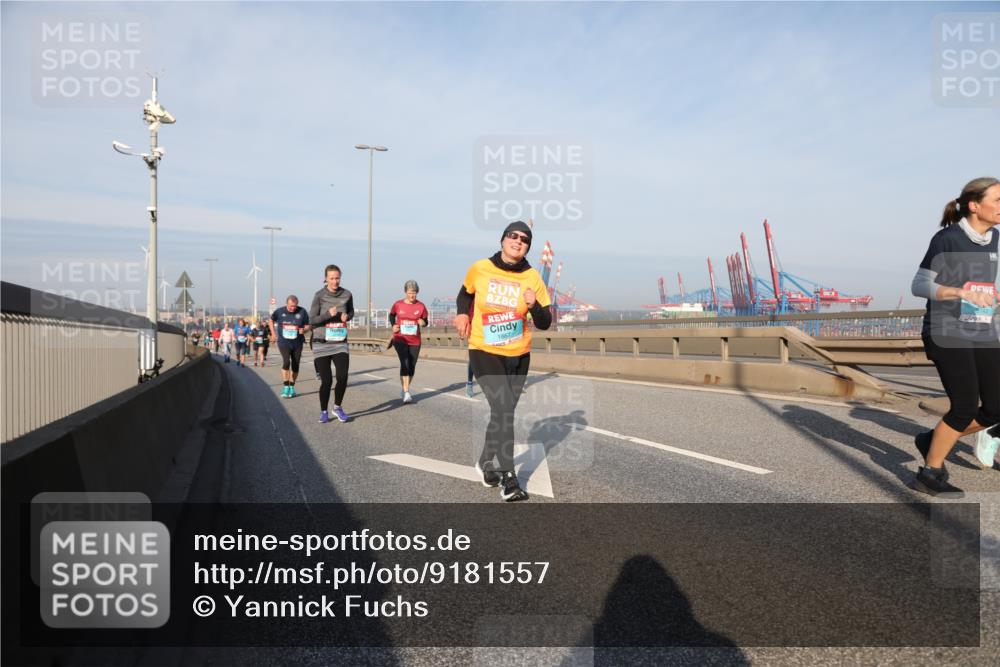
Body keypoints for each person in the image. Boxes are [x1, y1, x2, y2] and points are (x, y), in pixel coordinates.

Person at [910, 176, 1000, 497]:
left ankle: (932, 439)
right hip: (946, 331)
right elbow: (920, 285)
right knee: (963, 406)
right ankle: (930, 472)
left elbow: (980, 284)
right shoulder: (946, 239)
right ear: (975, 205)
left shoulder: (994, 238)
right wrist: (959, 292)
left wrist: (991, 294)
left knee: (995, 408)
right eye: (998, 201)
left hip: (981, 329)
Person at [454, 221, 552, 502]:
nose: (518, 241)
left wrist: (534, 306)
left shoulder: (533, 277)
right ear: (502, 240)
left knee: (502, 413)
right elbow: (465, 292)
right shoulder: (480, 268)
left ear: (528, 247)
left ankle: (485, 462)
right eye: (513, 236)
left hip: (519, 355)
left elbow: (545, 322)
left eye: (524, 239)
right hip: (484, 350)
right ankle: (509, 478)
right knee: (504, 409)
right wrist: (462, 313)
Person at [308, 266, 354, 422]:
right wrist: (328, 314)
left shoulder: (347, 294)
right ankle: (323, 411)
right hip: (321, 343)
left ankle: (337, 407)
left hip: (340, 342)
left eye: (337, 278)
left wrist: (346, 317)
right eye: (332, 278)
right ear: (326, 278)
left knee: (342, 377)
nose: (335, 281)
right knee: (326, 380)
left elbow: (351, 312)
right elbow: (312, 319)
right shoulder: (319, 296)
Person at [389, 280, 429, 404]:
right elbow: (391, 315)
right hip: (400, 338)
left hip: (415, 340)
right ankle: (406, 392)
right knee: (405, 362)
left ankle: (404, 388)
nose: (412, 295)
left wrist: (423, 322)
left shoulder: (421, 306)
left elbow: (426, 321)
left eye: (415, 293)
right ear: (406, 292)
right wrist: (393, 325)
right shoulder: (398, 304)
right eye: (410, 292)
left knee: (412, 365)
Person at [269, 296, 310, 398]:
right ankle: (286, 386)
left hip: (297, 342)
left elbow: (308, 325)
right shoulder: (279, 312)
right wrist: (273, 334)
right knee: (286, 362)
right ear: (287, 304)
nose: (293, 308)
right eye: (291, 306)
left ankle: (292, 387)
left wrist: (304, 330)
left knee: (295, 365)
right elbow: (270, 321)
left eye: (295, 306)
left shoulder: (302, 311)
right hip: (284, 342)